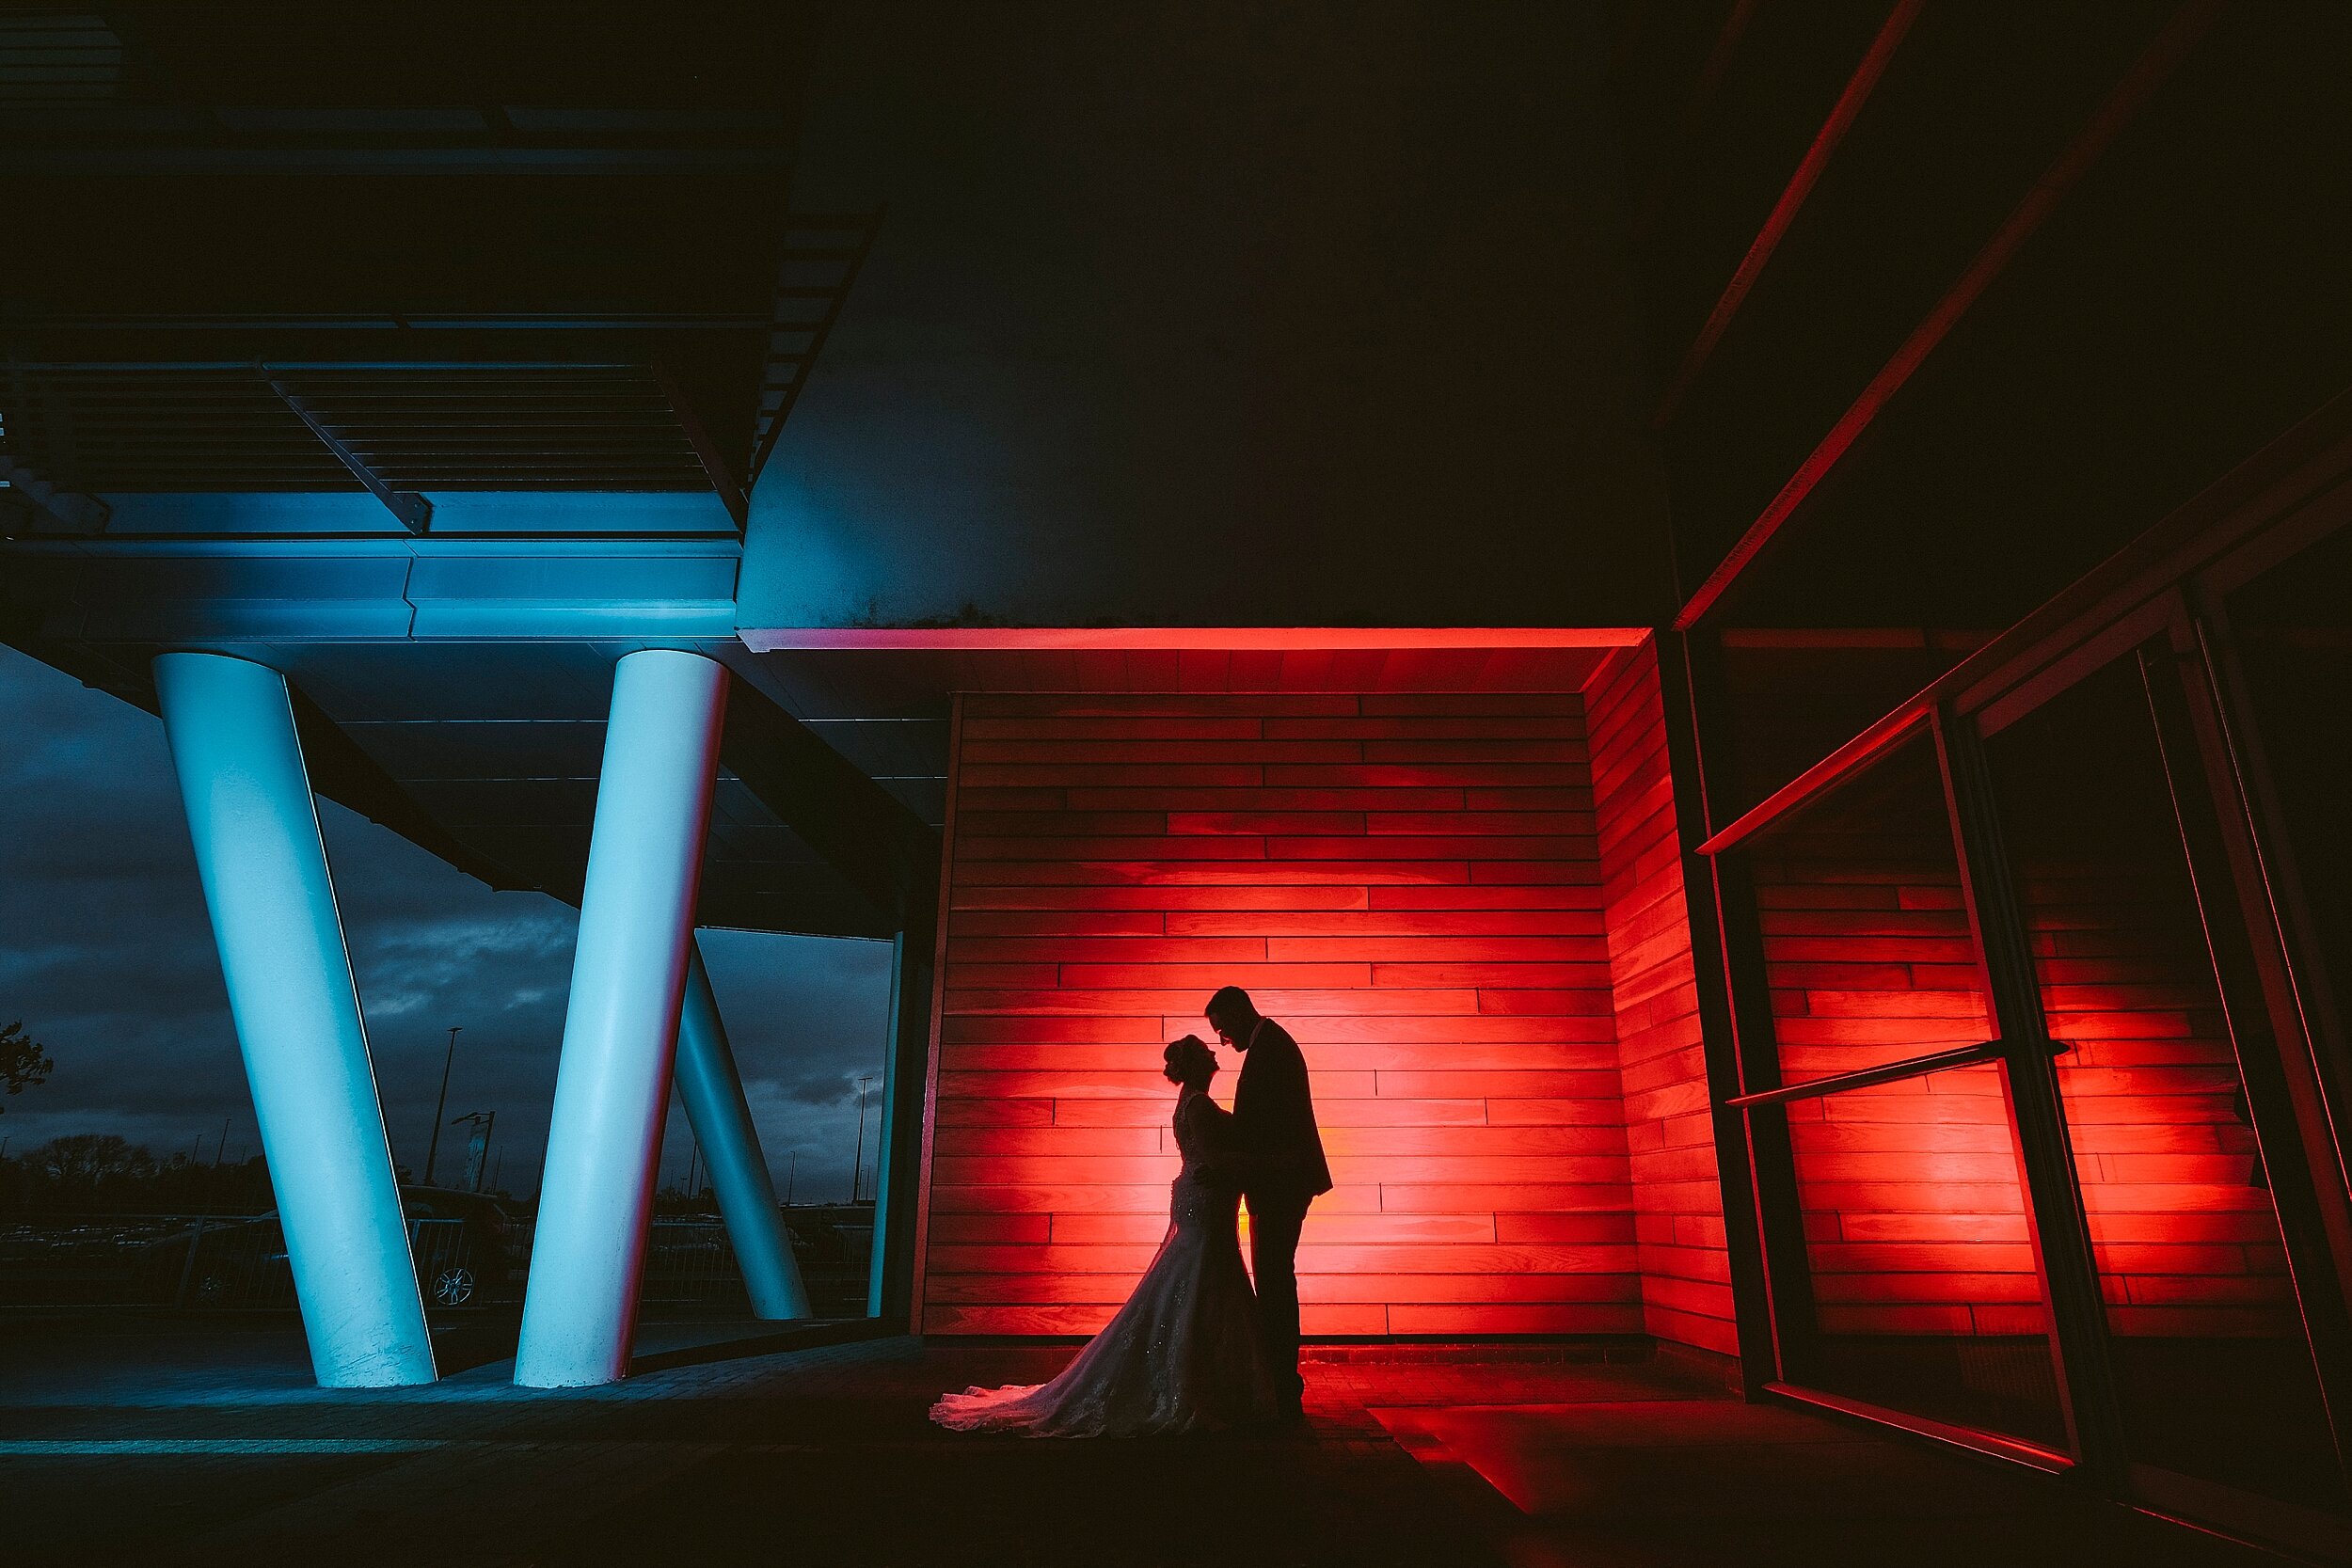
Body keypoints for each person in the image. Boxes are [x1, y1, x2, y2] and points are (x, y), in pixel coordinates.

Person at [929, 1036, 1278, 1436]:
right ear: (1199, 1063)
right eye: (1207, 1050)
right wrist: (1256, 1162)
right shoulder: (1198, 1104)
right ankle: (1201, 1382)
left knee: (1195, 1279)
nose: (1216, 1052)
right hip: (1206, 1199)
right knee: (1204, 1277)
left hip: (1201, 1198)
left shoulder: (1191, 1102)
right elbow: (1213, 1158)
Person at [1203, 985, 1330, 1422]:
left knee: (1275, 1281)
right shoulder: (1272, 1045)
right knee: (1275, 1279)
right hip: (1282, 1182)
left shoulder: (1270, 1050)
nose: (1224, 1040)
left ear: (1239, 1013)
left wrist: (1218, 1136)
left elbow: (1265, 1129)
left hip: (1280, 1184)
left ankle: (1281, 1380)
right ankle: (1279, 1378)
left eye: (1222, 1029)